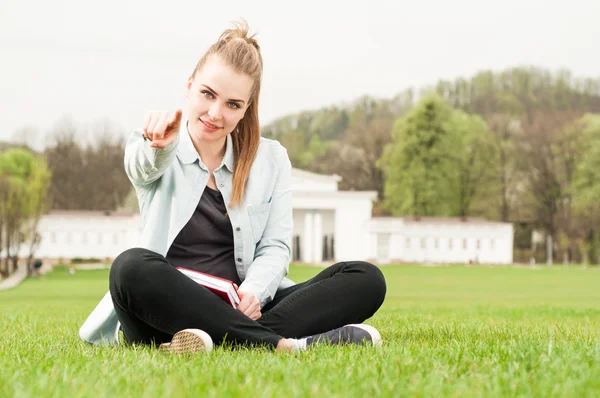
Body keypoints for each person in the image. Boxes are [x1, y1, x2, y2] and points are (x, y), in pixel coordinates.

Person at [79, 20, 386, 353]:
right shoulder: (158, 146)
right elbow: (141, 167)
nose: (215, 113)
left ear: (246, 109)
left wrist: (253, 293)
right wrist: (160, 146)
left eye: (233, 104)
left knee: (365, 278)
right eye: (208, 94)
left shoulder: (270, 159)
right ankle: (285, 345)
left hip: (243, 306)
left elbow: (275, 247)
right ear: (190, 85)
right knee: (129, 267)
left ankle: (203, 342)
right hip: (164, 309)